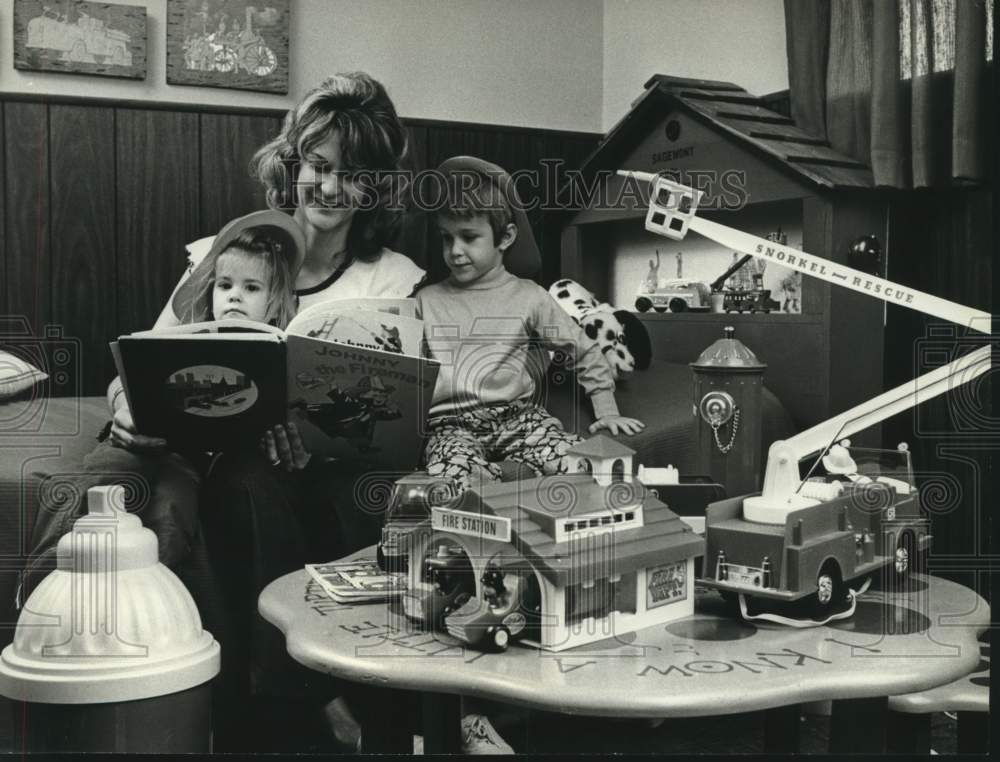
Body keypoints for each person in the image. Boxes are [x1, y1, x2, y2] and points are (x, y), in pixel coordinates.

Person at [30, 72, 426, 754]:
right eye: (319, 167)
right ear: (294, 165)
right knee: (149, 479)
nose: (331, 189)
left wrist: (322, 441)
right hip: (187, 437)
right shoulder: (234, 250)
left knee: (253, 482)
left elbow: (394, 412)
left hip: (294, 454)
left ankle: (278, 699)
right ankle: (44, 633)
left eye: (354, 176)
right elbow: (146, 355)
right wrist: (125, 407)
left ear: (378, 186)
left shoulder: (392, 278)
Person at [416, 156, 645, 495]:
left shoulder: (530, 297)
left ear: (505, 237)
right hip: (449, 425)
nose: (455, 251)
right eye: (446, 238)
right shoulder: (425, 300)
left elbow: (583, 348)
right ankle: (490, 506)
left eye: (468, 237)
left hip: (518, 418)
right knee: (451, 484)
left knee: (584, 466)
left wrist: (606, 409)